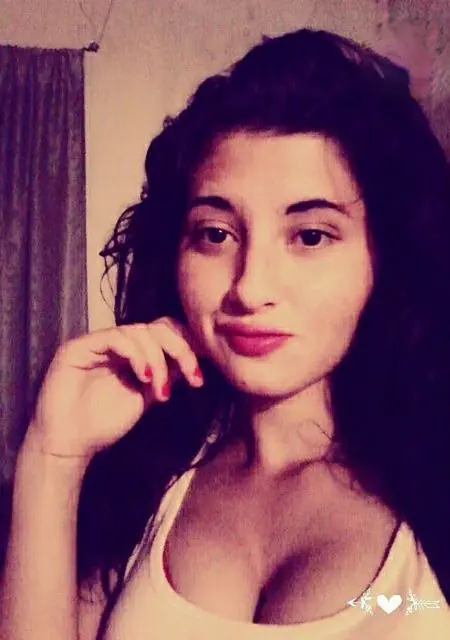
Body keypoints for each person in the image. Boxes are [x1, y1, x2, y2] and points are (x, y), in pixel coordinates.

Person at [1, 27, 450, 640]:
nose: (249, 286)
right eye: (216, 234)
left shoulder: (433, 481)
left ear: (385, 256)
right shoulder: (144, 480)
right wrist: (53, 460)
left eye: (309, 235)